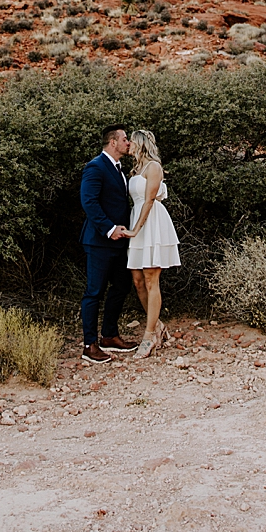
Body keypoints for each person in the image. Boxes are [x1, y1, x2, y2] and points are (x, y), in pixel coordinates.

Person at [79, 124, 139, 364]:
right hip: (99, 241)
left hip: (120, 241)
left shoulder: (120, 169)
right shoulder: (95, 167)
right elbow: (89, 202)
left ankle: (110, 335)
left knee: (122, 286)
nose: (128, 143)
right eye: (125, 139)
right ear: (113, 142)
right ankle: (89, 344)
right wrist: (109, 229)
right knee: (94, 291)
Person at [125, 130, 181, 358]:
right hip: (136, 219)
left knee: (150, 277)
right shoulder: (135, 169)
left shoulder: (154, 167)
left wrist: (137, 228)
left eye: (131, 141)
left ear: (140, 144)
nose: (127, 144)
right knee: (137, 280)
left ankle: (149, 337)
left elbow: (149, 199)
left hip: (151, 223)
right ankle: (156, 324)